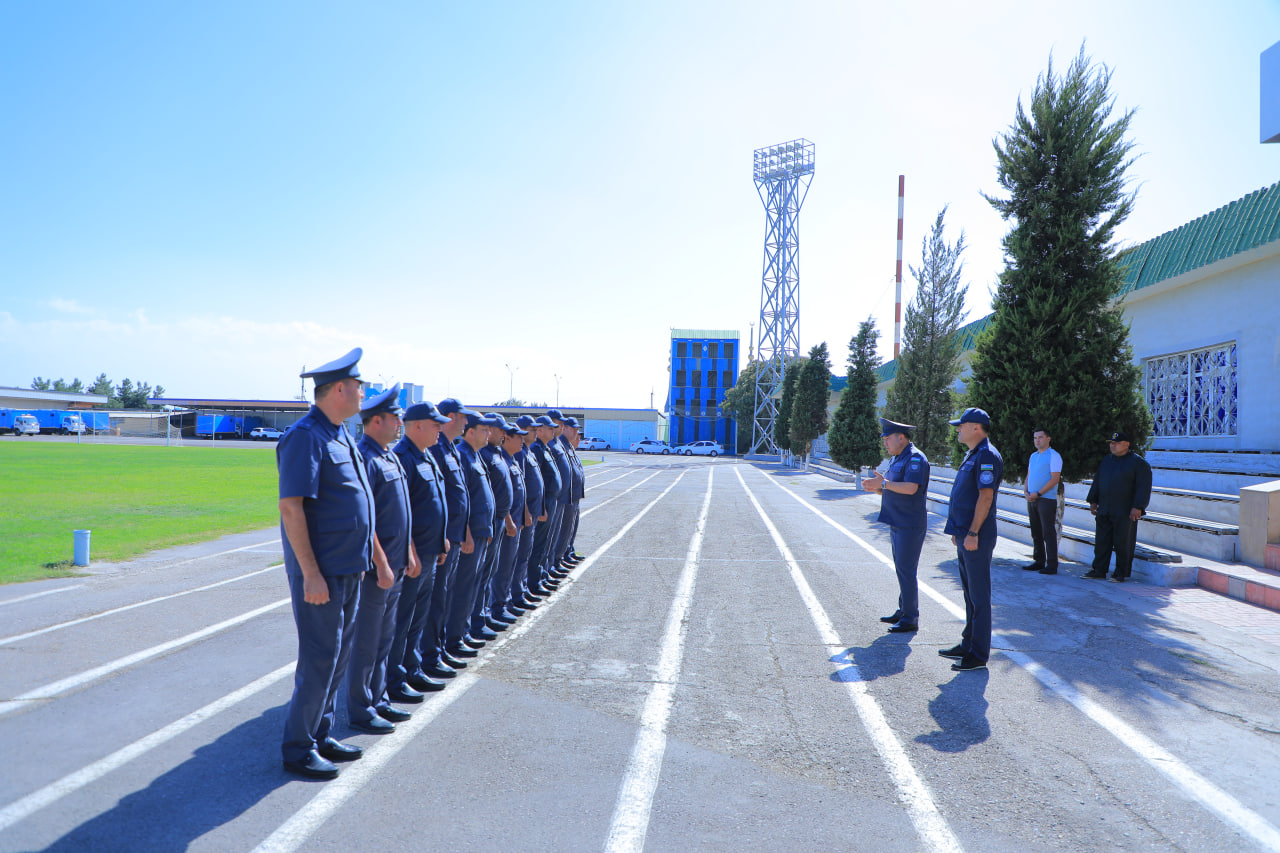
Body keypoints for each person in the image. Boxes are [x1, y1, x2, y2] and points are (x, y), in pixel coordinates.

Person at [277, 347, 389, 779]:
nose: (364, 393)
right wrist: (310, 573)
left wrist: (373, 557)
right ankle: (297, 747)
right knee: (320, 657)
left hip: (348, 566)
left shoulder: (340, 433)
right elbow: (292, 508)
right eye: (359, 386)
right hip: (322, 572)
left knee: (338, 656)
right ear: (339, 388)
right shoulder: (306, 436)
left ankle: (320, 734)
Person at [347, 384, 411, 735]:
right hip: (378, 568)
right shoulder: (366, 458)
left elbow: (405, 514)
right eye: (394, 417)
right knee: (368, 640)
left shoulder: (389, 455)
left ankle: (378, 697)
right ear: (375, 421)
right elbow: (366, 519)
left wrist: (408, 554)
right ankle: (361, 707)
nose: (399, 422)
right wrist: (382, 562)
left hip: (397, 561)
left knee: (385, 637)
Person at [389, 401, 452, 698]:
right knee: (403, 619)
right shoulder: (403, 457)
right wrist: (411, 550)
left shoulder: (426, 456)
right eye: (435, 423)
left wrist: (441, 540)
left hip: (430, 551)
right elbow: (404, 512)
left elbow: (434, 502)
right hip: (414, 556)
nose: (441, 428)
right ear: (416, 426)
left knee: (419, 617)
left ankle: (412, 670)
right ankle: (394, 679)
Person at [940, 407, 1003, 673]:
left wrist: (974, 532)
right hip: (966, 533)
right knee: (969, 594)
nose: (957, 429)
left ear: (975, 427)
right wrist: (960, 532)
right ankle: (968, 644)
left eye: (961, 425)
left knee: (979, 595)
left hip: (977, 534)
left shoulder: (986, 455)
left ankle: (978, 654)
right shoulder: (974, 454)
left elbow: (985, 497)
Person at [863, 418, 930, 634]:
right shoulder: (898, 458)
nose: (884, 442)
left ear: (901, 437)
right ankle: (903, 610)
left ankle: (910, 617)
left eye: (887, 438)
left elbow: (911, 488)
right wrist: (877, 487)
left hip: (909, 523)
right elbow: (892, 488)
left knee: (906, 570)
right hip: (897, 521)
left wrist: (883, 483)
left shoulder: (915, 458)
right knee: (902, 569)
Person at [428, 399, 474, 673]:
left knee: (443, 598)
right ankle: (430, 658)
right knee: (435, 602)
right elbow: (433, 500)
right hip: (442, 538)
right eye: (463, 418)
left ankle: (439, 650)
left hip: (455, 535)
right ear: (451, 416)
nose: (466, 423)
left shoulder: (450, 449)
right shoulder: (435, 449)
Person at [446, 411, 496, 659]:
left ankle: (463, 633)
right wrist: (466, 532)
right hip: (470, 534)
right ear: (471, 432)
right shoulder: (464, 455)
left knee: (473, 585)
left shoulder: (474, 455)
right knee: (463, 587)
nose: (488, 434)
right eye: (484, 430)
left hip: (480, 531)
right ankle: (454, 638)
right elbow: (460, 499)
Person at [1084, 431, 1152, 583]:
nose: (1112, 445)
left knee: (1123, 542)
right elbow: (1098, 481)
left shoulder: (1138, 463)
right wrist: (1093, 500)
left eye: (1116, 443)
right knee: (1102, 541)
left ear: (1127, 445)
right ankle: (1099, 570)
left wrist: (1138, 507)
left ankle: (1120, 573)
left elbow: (1143, 487)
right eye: (1111, 443)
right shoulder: (1107, 460)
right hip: (1105, 507)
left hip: (1125, 510)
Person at [1023, 427, 1063, 575]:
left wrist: (1038, 493)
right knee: (1036, 531)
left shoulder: (1054, 456)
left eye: (1040, 437)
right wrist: (1026, 491)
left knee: (1048, 532)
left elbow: (1055, 479)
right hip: (1032, 499)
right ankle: (1039, 560)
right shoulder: (1033, 456)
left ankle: (1052, 564)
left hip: (1045, 499)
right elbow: (1029, 474)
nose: (1037, 440)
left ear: (1048, 438)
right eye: (1035, 438)